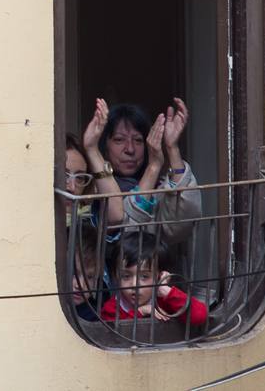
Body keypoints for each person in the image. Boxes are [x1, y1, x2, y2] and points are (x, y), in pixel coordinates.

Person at [79, 98, 201, 242]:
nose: (130, 149)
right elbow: (126, 234)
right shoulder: (92, 191)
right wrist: (153, 167)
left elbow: (181, 225)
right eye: (119, 140)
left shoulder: (159, 188)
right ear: (105, 146)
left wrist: (172, 148)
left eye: (138, 140)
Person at [97, 233, 207, 330]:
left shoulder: (166, 300)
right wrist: (140, 312)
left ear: (159, 276)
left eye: (144, 276)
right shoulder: (112, 309)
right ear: (115, 276)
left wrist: (166, 292)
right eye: (126, 276)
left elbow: (200, 316)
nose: (135, 284)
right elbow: (113, 339)